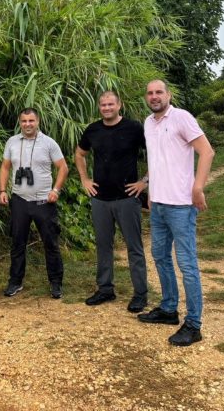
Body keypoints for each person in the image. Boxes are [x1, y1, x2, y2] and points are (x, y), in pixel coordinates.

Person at [137, 80, 215, 347]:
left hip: (181, 206)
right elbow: (157, 160)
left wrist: (198, 187)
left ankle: (193, 325)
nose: (154, 96)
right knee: (159, 256)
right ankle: (169, 309)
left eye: (159, 92)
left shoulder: (182, 117)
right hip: (158, 205)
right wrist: (148, 186)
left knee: (187, 264)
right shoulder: (149, 123)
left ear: (169, 94)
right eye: (150, 93)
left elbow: (207, 151)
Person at [75, 91, 149, 311]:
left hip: (127, 198)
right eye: (103, 105)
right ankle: (105, 289)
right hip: (100, 199)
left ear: (120, 105)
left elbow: (156, 153)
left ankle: (140, 294)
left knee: (134, 248)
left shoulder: (134, 128)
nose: (106, 108)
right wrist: (84, 179)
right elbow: (79, 154)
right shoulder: (93, 130)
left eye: (110, 104)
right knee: (103, 246)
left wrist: (144, 181)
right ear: (99, 107)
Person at [0, 108, 68, 299]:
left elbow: (63, 167)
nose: (27, 124)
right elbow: (5, 167)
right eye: (24, 121)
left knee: (50, 243)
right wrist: (3, 190)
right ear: (19, 122)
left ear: (38, 121)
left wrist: (56, 190)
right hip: (19, 200)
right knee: (17, 243)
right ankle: (15, 282)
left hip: (43, 201)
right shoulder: (12, 142)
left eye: (31, 121)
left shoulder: (49, 143)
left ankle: (55, 283)